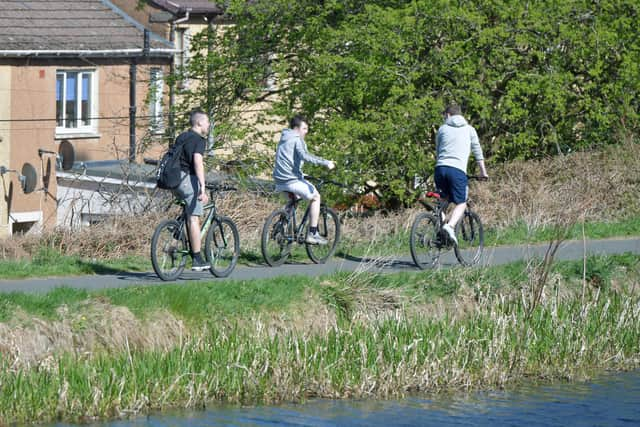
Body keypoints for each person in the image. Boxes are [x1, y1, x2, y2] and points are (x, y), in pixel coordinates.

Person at [273, 115, 335, 244]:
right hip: (291, 180)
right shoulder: (297, 139)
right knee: (316, 197)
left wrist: (300, 173)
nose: (306, 131)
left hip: (279, 180)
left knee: (294, 200)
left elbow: (288, 160)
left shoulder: (284, 138)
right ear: (297, 128)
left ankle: (281, 226)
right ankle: (312, 233)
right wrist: (325, 162)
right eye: (305, 128)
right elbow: (305, 156)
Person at [434, 104, 488, 245]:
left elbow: (438, 151)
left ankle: (441, 231)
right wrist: (483, 172)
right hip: (457, 170)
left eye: (444, 115)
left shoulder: (442, 129)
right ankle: (450, 227)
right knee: (461, 203)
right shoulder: (470, 130)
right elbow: (477, 151)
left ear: (449, 115)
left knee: (443, 201)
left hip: (440, 168)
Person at [174, 109, 211, 271]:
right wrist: (203, 187)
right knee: (194, 218)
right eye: (207, 122)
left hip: (174, 181)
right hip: (187, 180)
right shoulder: (199, 140)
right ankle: (197, 259)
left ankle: (175, 239)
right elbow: (198, 163)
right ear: (199, 123)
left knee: (187, 215)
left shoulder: (182, 137)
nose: (209, 125)